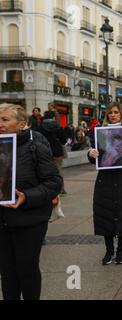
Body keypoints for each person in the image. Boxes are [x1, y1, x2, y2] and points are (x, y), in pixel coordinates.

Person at [0, 104, 62, 300]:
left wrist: (26, 196)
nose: (0, 124)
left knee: (26, 269)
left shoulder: (36, 147)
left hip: (30, 220)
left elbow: (54, 183)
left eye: (4, 120)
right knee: (7, 273)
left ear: (21, 124)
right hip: (2, 220)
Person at [87, 103, 122, 265]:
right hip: (105, 180)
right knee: (106, 216)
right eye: (110, 112)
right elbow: (94, 155)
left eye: (116, 112)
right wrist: (91, 153)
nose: (113, 115)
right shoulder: (100, 132)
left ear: (121, 114)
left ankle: (120, 252)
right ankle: (109, 251)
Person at [37, 111, 68, 195]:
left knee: (45, 171)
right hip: (57, 152)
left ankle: (49, 189)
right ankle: (61, 189)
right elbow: (63, 140)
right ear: (54, 118)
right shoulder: (59, 127)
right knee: (58, 171)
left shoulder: (40, 128)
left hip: (44, 152)